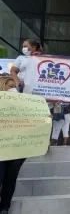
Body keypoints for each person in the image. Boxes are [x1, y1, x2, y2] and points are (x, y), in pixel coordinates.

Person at [0, 76, 25, 213]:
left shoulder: (24, 105)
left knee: (10, 180)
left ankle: (5, 207)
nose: (13, 89)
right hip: (1, 149)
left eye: (14, 86)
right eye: (10, 86)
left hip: (17, 149)